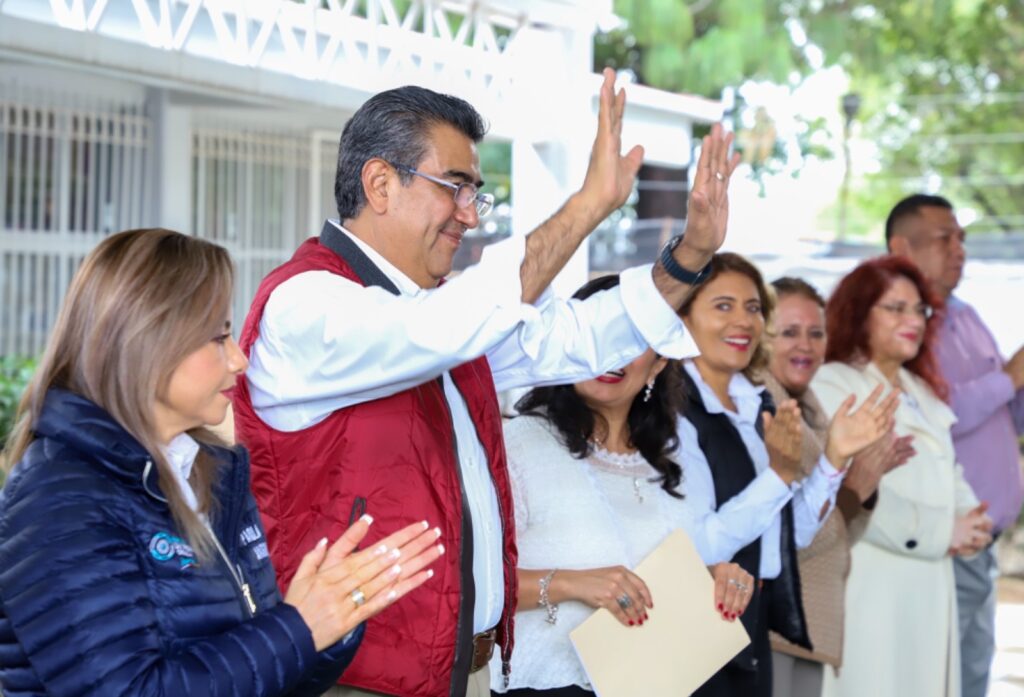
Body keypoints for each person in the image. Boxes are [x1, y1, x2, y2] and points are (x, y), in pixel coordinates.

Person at [232, 68, 741, 697]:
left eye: (476, 193)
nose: (470, 216)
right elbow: (447, 325)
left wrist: (689, 255)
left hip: (465, 672)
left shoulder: (439, 317)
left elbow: (578, 338)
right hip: (354, 677)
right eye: (455, 188)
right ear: (380, 184)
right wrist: (587, 206)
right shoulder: (307, 303)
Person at [0, 229, 444, 696]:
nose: (239, 360)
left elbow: (264, 677)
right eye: (219, 337)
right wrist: (301, 627)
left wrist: (333, 619)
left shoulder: (209, 471)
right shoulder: (60, 497)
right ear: (148, 342)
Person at [490, 275, 754, 697]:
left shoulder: (668, 457)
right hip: (548, 686)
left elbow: (653, 578)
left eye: (629, 338)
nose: (609, 355)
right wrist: (570, 583)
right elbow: (469, 584)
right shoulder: (519, 444)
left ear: (659, 362)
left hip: (656, 683)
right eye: (597, 334)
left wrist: (711, 579)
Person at [674, 253, 894, 697]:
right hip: (691, 632)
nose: (743, 321)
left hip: (750, 626)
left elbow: (786, 535)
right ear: (682, 316)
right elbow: (697, 547)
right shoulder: (672, 411)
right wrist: (778, 474)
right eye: (723, 306)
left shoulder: (756, 406)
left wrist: (833, 456)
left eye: (753, 308)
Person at [814, 255, 993, 697]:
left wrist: (973, 518)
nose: (912, 320)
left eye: (918, 310)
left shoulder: (923, 392)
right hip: (872, 584)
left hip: (928, 585)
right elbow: (850, 491)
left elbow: (948, 471)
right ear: (858, 312)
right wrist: (940, 530)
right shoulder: (834, 383)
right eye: (895, 308)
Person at [886, 193, 1024, 697]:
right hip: (940, 536)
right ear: (901, 247)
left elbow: (1001, 411)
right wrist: (1009, 378)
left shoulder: (964, 314)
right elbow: (935, 413)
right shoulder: (899, 324)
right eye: (945, 238)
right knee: (941, 677)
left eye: (962, 239)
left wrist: (1017, 389)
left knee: (971, 673)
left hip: (982, 538)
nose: (959, 249)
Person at [765, 277, 914, 697]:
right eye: (789, 332)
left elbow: (840, 536)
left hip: (811, 627)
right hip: (773, 624)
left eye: (816, 333)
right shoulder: (762, 410)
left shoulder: (813, 412)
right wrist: (850, 490)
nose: (806, 346)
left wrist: (865, 485)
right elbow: (786, 539)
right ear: (761, 336)